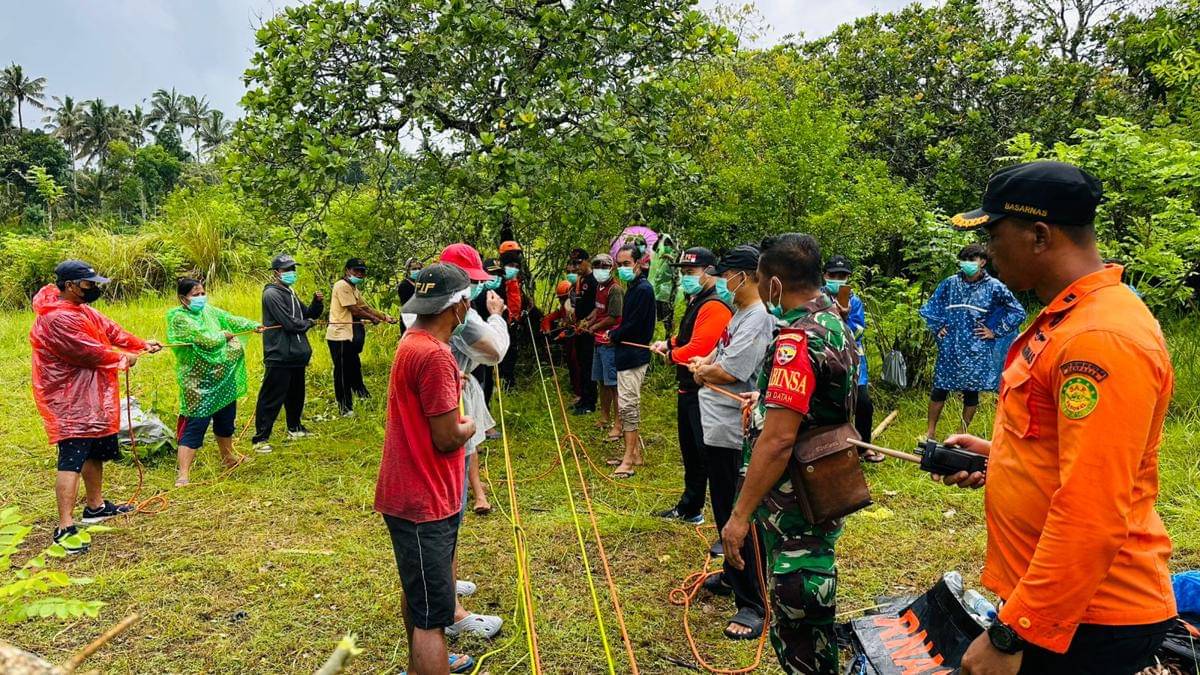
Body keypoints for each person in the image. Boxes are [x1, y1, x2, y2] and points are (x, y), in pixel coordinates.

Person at [936, 161, 1177, 675]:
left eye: (994, 235)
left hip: (1088, 616)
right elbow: (1066, 451)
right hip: (1063, 605)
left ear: (1040, 235)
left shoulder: (1100, 338)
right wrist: (1002, 459)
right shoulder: (1068, 317)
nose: (988, 253)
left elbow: (1093, 509)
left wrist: (1011, 634)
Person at [720, 233, 858, 674]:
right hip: (826, 484)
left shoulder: (796, 340)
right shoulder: (834, 322)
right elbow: (817, 405)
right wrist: (765, 402)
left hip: (794, 502)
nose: (760, 289)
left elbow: (779, 440)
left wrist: (739, 516)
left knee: (799, 614)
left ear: (775, 284)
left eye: (761, 280)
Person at [375, 263, 478, 675]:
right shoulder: (434, 355)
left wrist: (452, 383)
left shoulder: (413, 341)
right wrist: (470, 424)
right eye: (467, 300)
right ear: (457, 307)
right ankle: (430, 662)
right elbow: (448, 437)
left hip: (412, 494)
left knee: (419, 595)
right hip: (424, 500)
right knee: (433, 616)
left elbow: (426, 398)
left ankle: (419, 668)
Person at [30, 260, 163, 553]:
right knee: (72, 459)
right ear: (69, 285)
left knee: (94, 452)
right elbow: (89, 352)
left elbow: (112, 331)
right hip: (69, 401)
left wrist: (141, 344)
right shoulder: (56, 318)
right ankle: (65, 527)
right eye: (88, 283)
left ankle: (96, 507)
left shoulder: (81, 309)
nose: (93, 288)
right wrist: (124, 357)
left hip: (92, 397)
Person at [692, 245, 775, 641]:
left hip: (733, 431)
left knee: (738, 513)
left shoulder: (759, 318)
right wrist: (703, 366)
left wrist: (706, 371)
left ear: (745, 276)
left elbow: (731, 370)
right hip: (717, 425)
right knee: (722, 504)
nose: (723, 282)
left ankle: (753, 601)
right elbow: (716, 357)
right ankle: (731, 573)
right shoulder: (740, 314)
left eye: (727, 276)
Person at [435, 244, 508, 641]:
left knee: (452, 509)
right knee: (447, 510)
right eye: (471, 285)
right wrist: (496, 316)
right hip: (449, 411)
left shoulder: (425, 319)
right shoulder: (451, 322)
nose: (474, 293)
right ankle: (449, 610)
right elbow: (494, 351)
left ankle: (446, 581)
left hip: (455, 398)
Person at [650, 247, 732, 524]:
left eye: (690, 272)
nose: (685, 277)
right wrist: (668, 343)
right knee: (691, 453)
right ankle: (690, 507)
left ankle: (725, 518)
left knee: (707, 453)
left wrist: (672, 355)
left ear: (709, 272)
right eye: (683, 272)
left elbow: (700, 347)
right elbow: (688, 336)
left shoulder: (714, 305)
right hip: (688, 388)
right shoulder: (697, 300)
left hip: (704, 390)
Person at [919, 243, 1025, 439]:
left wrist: (995, 331)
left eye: (971, 260)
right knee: (939, 388)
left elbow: (1017, 311)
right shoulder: (951, 283)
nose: (966, 263)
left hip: (976, 348)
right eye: (964, 260)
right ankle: (930, 432)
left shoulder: (994, 287)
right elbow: (931, 306)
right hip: (950, 346)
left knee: (971, 392)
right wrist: (939, 325)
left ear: (982, 262)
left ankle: (961, 433)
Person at [167, 278, 262, 486]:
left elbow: (229, 318)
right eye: (195, 295)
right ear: (183, 299)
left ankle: (228, 458)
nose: (201, 298)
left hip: (222, 377)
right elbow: (205, 339)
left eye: (202, 293)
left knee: (226, 421)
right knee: (196, 425)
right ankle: (183, 474)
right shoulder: (179, 318)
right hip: (198, 384)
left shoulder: (209, 311)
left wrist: (253, 325)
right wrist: (223, 335)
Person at [251, 254, 324, 453]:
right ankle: (260, 439)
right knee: (271, 397)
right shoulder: (271, 294)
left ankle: (295, 428)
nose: (291, 272)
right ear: (276, 272)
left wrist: (317, 303)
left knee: (296, 394)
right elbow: (291, 324)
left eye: (293, 269)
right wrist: (309, 324)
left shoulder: (289, 292)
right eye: (287, 269)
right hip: (279, 354)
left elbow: (307, 314)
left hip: (297, 354)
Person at [822, 256, 883, 462]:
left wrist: (845, 317)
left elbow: (858, 332)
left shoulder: (854, 301)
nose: (838, 280)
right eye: (833, 275)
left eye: (842, 276)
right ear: (824, 275)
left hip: (853, 362)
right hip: (826, 360)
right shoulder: (817, 299)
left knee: (863, 404)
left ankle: (864, 447)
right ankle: (828, 449)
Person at [605, 242, 656, 478]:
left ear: (638, 263)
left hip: (635, 356)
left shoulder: (644, 289)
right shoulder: (633, 287)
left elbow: (634, 325)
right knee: (626, 404)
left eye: (627, 263)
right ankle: (633, 453)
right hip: (625, 354)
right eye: (620, 264)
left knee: (628, 407)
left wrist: (614, 334)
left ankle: (628, 461)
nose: (623, 268)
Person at [327, 258, 396, 416]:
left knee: (354, 367)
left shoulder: (353, 288)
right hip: (339, 335)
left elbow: (365, 307)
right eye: (356, 270)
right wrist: (372, 318)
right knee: (342, 372)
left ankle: (362, 395)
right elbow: (355, 310)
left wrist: (384, 317)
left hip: (350, 335)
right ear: (347, 270)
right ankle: (345, 407)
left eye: (362, 271)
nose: (359, 274)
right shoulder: (342, 286)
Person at [578, 253, 623, 441]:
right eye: (597, 267)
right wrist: (588, 321)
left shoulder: (615, 290)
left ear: (611, 269)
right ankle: (604, 416)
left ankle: (619, 422)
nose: (600, 271)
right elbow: (599, 309)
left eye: (604, 267)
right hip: (598, 341)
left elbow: (614, 316)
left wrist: (594, 327)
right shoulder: (599, 287)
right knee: (602, 382)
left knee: (613, 384)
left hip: (609, 341)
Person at [567, 248, 598, 414]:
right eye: (573, 263)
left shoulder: (594, 281)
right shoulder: (580, 280)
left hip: (590, 329)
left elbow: (599, 307)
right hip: (578, 328)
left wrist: (587, 323)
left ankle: (589, 403)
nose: (575, 267)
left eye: (578, 263)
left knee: (588, 365)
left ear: (587, 261)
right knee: (580, 364)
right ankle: (583, 398)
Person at [472, 257, 505, 410]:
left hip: (490, 340)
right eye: (492, 274)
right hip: (478, 342)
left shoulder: (497, 293)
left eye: (498, 274)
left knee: (488, 378)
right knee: (480, 379)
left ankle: (486, 410)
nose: (495, 278)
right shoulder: (477, 294)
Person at [497, 240, 525, 391]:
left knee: (512, 353)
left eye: (516, 265)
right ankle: (503, 382)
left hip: (514, 321)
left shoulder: (516, 278)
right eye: (510, 265)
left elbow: (516, 299)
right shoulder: (498, 279)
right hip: (502, 320)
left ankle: (509, 382)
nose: (513, 268)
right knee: (503, 353)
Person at [648, 233, 679, 335]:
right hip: (657, 292)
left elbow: (676, 275)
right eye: (664, 245)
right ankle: (659, 335)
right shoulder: (659, 259)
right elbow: (654, 249)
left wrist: (671, 258)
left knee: (667, 317)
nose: (666, 247)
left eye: (668, 245)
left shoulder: (674, 257)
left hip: (668, 294)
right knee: (658, 316)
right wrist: (659, 239)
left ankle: (668, 336)